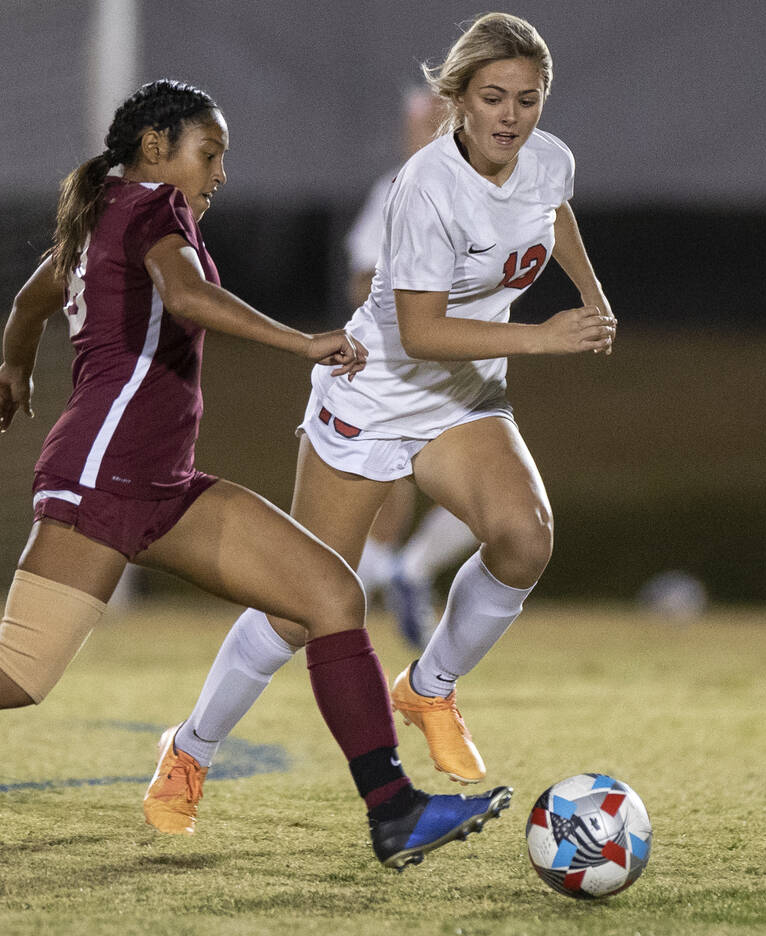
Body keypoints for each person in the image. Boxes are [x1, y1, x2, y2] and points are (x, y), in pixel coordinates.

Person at [0, 78, 511, 872]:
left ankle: (393, 812)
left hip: (162, 484)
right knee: (18, 668)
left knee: (330, 593)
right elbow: (186, 296)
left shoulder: (105, 215)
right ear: (157, 149)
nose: (219, 174)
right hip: (102, 476)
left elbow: (29, 300)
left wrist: (14, 368)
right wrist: (302, 342)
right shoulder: (151, 208)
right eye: (209, 153)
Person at [144, 14, 616, 834]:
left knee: (525, 536)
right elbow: (424, 330)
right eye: (493, 97)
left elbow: (555, 211)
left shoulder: (547, 158)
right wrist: (541, 337)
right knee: (300, 604)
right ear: (457, 100)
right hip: (376, 390)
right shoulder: (424, 186)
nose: (511, 116)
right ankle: (189, 749)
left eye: (528, 100)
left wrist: (592, 295)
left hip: (462, 395)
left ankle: (428, 689)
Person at [346, 87, 478, 647]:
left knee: (492, 499)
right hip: (400, 367)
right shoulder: (397, 190)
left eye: (431, 124)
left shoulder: (481, 193)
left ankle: (403, 572)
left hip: (453, 366)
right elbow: (362, 278)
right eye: (417, 124)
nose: (420, 134)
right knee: (379, 492)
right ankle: (371, 589)